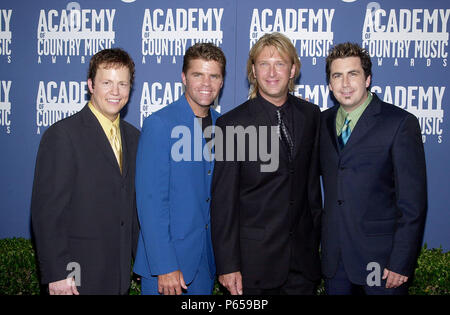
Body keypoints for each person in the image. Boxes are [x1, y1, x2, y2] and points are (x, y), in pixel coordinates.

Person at [210, 32, 322, 295]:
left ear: (293, 69)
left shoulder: (311, 115)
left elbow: (312, 190)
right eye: (264, 64)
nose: (272, 72)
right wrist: (227, 265)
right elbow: (223, 202)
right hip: (253, 268)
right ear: (253, 70)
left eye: (280, 63)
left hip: (303, 267)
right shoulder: (231, 124)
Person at [320, 42, 427, 295]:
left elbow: (413, 204)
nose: (345, 84)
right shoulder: (321, 122)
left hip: (381, 262)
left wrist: (401, 263)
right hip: (335, 262)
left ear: (367, 79)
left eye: (353, 74)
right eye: (337, 76)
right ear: (330, 84)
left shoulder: (399, 123)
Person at [31, 48, 140, 295]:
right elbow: (47, 213)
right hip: (75, 278)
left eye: (123, 83)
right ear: (91, 85)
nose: (115, 91)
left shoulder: (134, 137)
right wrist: (58, 273)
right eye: (107, 83)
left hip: (118, 276)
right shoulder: (63, 135)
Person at [133, 43, 226, 295]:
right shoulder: (160, 124)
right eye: (198, 74)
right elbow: (151, 202)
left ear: (221, 82)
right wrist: (165, 265)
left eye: (214, 76)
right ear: (184, 78)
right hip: (167, 267)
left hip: (205, 264)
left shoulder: (224, 126)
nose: (206, 83)